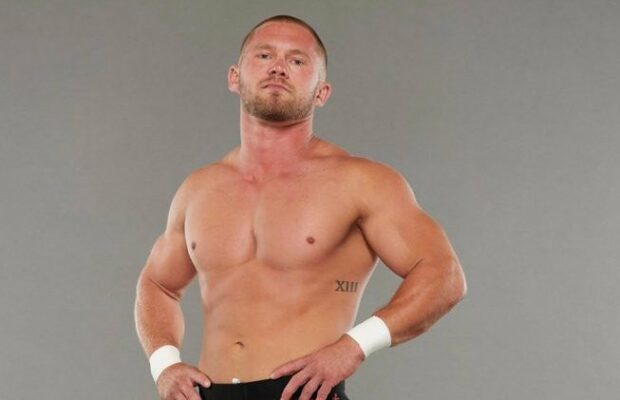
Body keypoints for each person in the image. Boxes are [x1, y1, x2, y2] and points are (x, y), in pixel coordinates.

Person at [134, 14, 467, 400]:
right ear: (234, 77)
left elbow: (444, 276)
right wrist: (164, 365)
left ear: (322, 92)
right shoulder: (199, 189)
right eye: (264, 55)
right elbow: (157, 284)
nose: (278, 67)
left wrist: (354, 346)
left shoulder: (360, 181)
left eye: (296, 60)